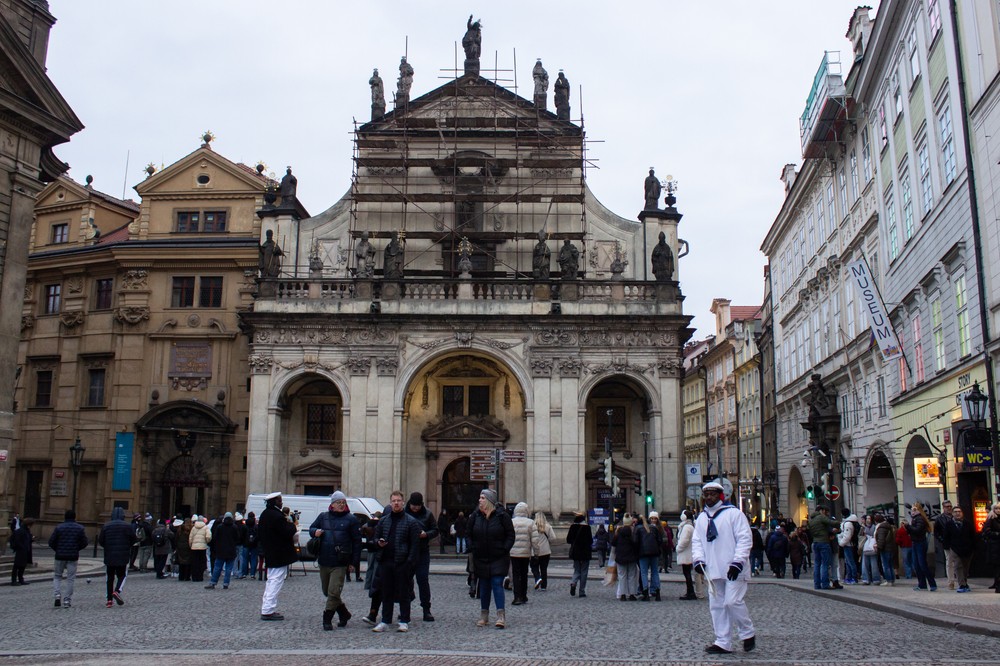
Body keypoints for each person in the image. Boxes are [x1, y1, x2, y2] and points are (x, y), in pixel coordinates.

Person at [691, 481, 756, 655]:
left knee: (732, 601)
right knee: (717, 606)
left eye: (712, 494)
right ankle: (722, 641)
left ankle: (747, 632)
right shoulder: (702, 518)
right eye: (706, 495)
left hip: (734, 567)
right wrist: (698, 560)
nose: (709, 498)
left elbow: (744, 538)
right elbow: (697, 541)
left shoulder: (734, 514)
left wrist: (738, 561)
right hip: (713, 568)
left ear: (720, 496)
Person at [309, 491, 362, 630]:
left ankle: (327, 619)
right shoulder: (323, 517)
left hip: (340, 562)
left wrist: (354, 562)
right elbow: (311, 528)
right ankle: (344, 613)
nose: (341, 505)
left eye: (343, 502)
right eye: (339, 502)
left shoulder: (351, 519)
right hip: (324, 560)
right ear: (332, 504)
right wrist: (315, 532)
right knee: (327, 591)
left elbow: (357, 543)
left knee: (333, 592)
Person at [372, 491, 421, 633]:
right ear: (390, 503)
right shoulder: (383, 521)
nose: (396, 503)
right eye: (394, 501)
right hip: (386, 561)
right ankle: (385, 620)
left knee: (404, 593)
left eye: (399, 500)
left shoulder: (411, 522)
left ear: (403, 502)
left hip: (402, 562)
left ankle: (404, 620)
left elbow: (415, 545)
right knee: (386, 592)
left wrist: (410, 563)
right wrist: (378, 543)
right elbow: (375, 538)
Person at [468, 488, 515, 628]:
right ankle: (484, 615)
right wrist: (472, 547)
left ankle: (501, 616)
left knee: (497, 583)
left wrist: (504, 549)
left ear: (489, 501)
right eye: (480, 497)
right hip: (481, 557)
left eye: (482, 498)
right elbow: (468, 534)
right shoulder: (475, 516)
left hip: (498, 557)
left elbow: (510, 535)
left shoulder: (502, 516)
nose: (479, 500)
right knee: (484, 585)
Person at [258, 492, 299, 620]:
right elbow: (287, 531)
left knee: (271, 580)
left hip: (271, 551)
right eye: (280, 501)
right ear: (274, 502)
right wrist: (293, 525)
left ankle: (267, 607)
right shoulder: (276, 516)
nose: (282, 503)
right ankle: (268, 610)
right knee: (275, 581)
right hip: (278, 553)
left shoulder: (265, 514)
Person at [404, 491, 439, 622]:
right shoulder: (404, 513)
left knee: (423, 580)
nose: (415, 508)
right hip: (407, 552)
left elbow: (435, 530)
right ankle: (405, 609)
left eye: (418, 506)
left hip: (422, 552)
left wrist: (426, 534)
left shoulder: (428, 514)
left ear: (421, 504)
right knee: (405, 581)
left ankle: (426, 609)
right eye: (413, 505)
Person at [49, 509, 88, 606]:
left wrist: (57, 549)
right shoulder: (79, 528)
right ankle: (67, 600)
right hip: (73, 556)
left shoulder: (59, 527)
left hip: (60, 555)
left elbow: (51, 542)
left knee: (57, 576)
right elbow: (84, 542)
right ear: (75, 517)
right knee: (70, 578)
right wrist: (76, 549)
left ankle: (57, 595)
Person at [98, 507, 133, 607]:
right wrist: (127, 546)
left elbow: (101, 540)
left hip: (109, 555)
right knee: (122, 575)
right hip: (123, 555)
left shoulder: (106, 526)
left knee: (110, 578)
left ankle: (109, 600)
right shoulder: (127, 526)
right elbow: (133, 539)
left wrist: (108, 547)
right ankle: (117, 591)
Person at [509, 502, 538, 605]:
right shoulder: (530, 523)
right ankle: (523, 595)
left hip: (514, 553)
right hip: (525, 553)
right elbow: (535, 540)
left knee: (515, 575)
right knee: (524, 574)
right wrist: (536, 553)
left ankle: (517, 597)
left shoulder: (511, 522)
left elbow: (508, 537)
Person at [806, 504, 840, 590]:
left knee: (817, 564)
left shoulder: (811, 520)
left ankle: (817, 584)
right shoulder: (821, 517)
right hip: (824, 542)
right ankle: (825, 584)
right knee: (825, 564)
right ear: (821, 511)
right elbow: (832, 523)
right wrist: (838, 524)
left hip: (815, 542)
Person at [905, 501, 937, 591]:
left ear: (919, 510)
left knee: (922, 564)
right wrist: (908, 528)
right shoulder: (915, 518)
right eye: (912, 509)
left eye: (914, 509)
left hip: (920, 543)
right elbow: (913, 531)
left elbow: (917, 530)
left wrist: (908, 527)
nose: (912, 511)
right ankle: (922, 584)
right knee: (917, 565)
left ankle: (932, 584)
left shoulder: (919, 518)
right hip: (915, 542)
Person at [945, 506, 975, 592]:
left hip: (967, 548)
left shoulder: (967, 523)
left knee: (965, 567)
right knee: (958, 566)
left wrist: (973, 547)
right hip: (955, 548)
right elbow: (946, 536)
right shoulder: (949, 524)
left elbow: (972, 536)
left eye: (959, 511)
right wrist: (947, 547)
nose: (957, 513)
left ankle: (964, 582)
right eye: (955, 512)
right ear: (952, 513)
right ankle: (961, 584)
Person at [206, 512, 239, 589]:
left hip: (221, 550)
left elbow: (215, 538)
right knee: (228, 568)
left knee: (217, 567)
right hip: (231, 550)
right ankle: (226, 583)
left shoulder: (220, 527)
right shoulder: (234, 527)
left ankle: (213, 582)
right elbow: (237, 538)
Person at [635, 512, 663, 600]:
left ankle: (645, 592)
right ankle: (657, 592)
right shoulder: (654, 528)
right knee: (655, 572)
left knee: (644, 573)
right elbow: (660, 540)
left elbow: (636, 542)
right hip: (654, 553)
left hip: (643, 553)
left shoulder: (638, 529)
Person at [613, 514, 639, 601]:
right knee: (632, 576)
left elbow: (613, 543)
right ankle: (631, 594)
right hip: (631, 556)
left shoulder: (618, 532)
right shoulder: (633, 532)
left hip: (620, 557)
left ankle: (623, 594)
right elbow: (636, 544)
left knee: (622, 576)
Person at [566, 511, 592, 598]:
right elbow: (590, 541)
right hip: (585, 552)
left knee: (577, 570)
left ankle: (573, 583)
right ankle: (582, 591)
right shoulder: (587, 528)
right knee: (584, 572)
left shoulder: (572, 527)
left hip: (576, 552)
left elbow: (568, 540)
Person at [530, 511, 555, 590]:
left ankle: (537, 578)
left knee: (534, 567)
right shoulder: (548, 526)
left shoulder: (532, 527)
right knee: (544, 569)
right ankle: (543, 586)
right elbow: (553, 538)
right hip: (545, 551)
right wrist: (548, 542)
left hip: (535, 551)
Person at [934, 500, 956, 589]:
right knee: (949, 562)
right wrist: (942, 540)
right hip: (947, 543)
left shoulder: (956, 516)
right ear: (943, 508)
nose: (949, 508)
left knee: (959, 562)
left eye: (950, 506)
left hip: (957, 542)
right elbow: (936, 532)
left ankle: (961, 580)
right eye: (947, 507)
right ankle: (951, 581)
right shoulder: (939, 518)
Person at [675, 509, 697, 600]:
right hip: (687, 553)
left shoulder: (687, 527)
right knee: (687, 573)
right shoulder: (689, 526)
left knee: (687, 573)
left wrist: (678, 548)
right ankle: (690, 592)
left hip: (686, 553)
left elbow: (684, 541)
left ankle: (690, 592)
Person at [838, 508, 860, 584]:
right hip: (850, 544)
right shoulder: (851, 522)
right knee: (848, 562)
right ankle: (849, 577)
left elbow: (847, 536)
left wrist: (841, 543)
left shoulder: (848, 524)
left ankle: (853, 578)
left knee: (850, 562)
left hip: (848, 545)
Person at [874, 514, 897, 587]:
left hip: (885, 548)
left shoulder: (881, 528)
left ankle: (888, 580)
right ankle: (892, 580)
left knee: (886, 565)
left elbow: (881, 539)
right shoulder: (888, 526)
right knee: (890, 565)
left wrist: (878, 547)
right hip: (891, 548)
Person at [9, 517, 33, 585]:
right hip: (21, 550)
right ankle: (14, 581)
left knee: (23, 566)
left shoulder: (26, 530)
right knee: (17, 566)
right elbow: (17, 541)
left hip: (26, 550)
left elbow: (27, 539)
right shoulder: (20, 531)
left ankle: (21, 579)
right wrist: (22, 547)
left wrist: (31, 539)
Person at [983, 502, 1000, 593]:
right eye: (996, 508)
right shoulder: (991, 519)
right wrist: (997, 534)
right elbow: (987, 531)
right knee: (997, 567)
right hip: (995, 547)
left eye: (999, 508)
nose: (998, 510)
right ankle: (998, 586)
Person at [188, 514, 211, 582]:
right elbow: (208, 536)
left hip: (194, 547)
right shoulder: (206, 527)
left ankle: (194, 577)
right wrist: (206, 542)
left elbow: (190, 538)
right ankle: (200, 577)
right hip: (202, 547)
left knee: (194, 562)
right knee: (201, 562)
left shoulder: (193, 528)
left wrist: (191, 545)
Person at [860, 514, 881, 585]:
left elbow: (875, 535)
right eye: (867, 518)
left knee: (874, 563)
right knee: (864, 564)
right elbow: (860, 535)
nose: (868, 520)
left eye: (869, 518)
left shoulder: (874, 527)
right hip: (865, 546)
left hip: (872, 545)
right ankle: (865, 579)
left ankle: (876, 579)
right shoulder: (863, 527)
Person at [240, 512, 258, 580]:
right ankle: (252, 574)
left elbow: (242, 535)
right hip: (254, 544)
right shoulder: (256, 526)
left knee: (245, 559)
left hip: (246, 544)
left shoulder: (244, 526)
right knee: (254, 559)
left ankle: (244, 573)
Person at [175, 516, 193, 581]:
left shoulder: (180, 529)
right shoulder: (191, 529)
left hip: (180, 546)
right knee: (188, 562)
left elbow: (176, 538)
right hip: (188, 546)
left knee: (181, 561)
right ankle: (187, 576)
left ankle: (181, 576)